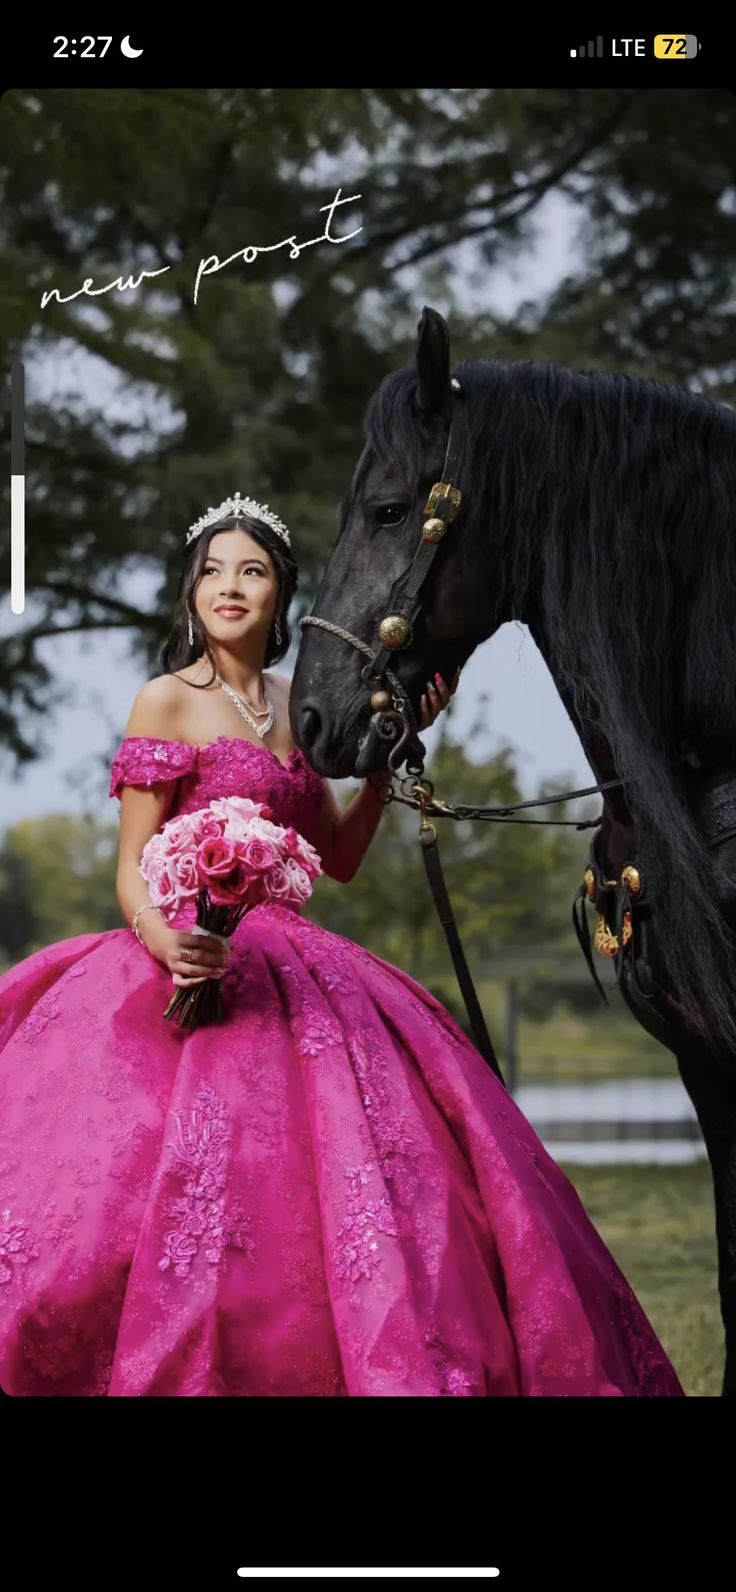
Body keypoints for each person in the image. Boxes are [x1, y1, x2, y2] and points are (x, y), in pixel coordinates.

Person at [0, 493, 684, 1396]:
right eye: (212, 572)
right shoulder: (165, 699)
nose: (229, 587)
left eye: (251, 572)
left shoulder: (299, 706)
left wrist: (392, 763)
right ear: (191, 594)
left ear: (282, 595)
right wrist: (169, 941)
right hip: (190, 956)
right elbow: (131, 868)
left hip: (300, 963)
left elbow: (341, 860)